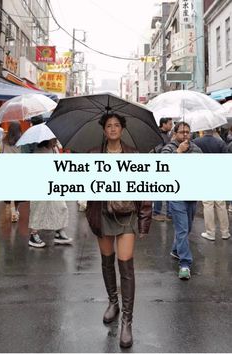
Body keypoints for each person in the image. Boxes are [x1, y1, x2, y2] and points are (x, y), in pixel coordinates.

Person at [86, 113, 152, 348]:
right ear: (104, 130)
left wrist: (144, 221)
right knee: (107, 261)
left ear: (122, 129)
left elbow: (145, 189)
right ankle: (113, 302)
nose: (112, 129)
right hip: (103, 214)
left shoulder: (133, 154)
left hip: (127, 216)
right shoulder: (94, 154)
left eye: (116, 125)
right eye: (108, 125)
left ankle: (127, 321)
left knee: (126, 265)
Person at [161, 122, 202, 280]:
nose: (185, 135)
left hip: (191, 194)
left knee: (187, 227)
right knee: (183, 229)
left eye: (188, 132)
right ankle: (185, 264)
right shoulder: (169, 148)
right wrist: (178, 152)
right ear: (175, 133)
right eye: (182, 132)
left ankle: (176, 250)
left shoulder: (196, 148)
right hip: (176, 195)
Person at [28, 139, 72, 248]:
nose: (55, 142)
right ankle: (33, 235)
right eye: (53, 140)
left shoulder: (54, 149)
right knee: (38, 210)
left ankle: (59, 231)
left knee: (61, 207)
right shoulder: (38, 152)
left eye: (56, 140)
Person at [153, 118, 173, 221]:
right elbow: (158, 150)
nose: (172, 125)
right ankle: (156, 212)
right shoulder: (160, 135)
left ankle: (169, 213)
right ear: (163, 124)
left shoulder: (167, 135)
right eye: (170, 124)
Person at [2, 121, 22, 222]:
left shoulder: (4, 140)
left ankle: (13, 210)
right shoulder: (22, 141)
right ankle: (15, 211)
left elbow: (1, 153)